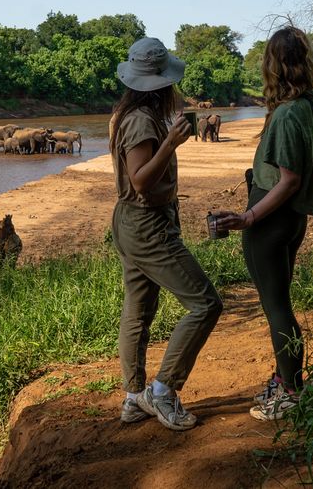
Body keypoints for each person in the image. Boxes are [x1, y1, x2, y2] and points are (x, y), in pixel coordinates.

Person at [213, 26, 313, 421]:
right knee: (280, 303)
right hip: (294, 219)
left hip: (271, 217)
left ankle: (291, 391)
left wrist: (248, 216)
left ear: (272, 66)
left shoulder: (287, 114)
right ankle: (285, 380)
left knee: (277, 307)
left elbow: (289, 180)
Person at [111, 37, 223, 432]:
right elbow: (141, 181)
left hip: (130, 223)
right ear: (160, 84)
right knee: (205, 303)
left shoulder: (132, 115)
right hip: (147, 224)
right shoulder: (142, 120)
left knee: (138, 310)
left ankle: (133, 397)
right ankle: (162, 391)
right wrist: (170, 145)